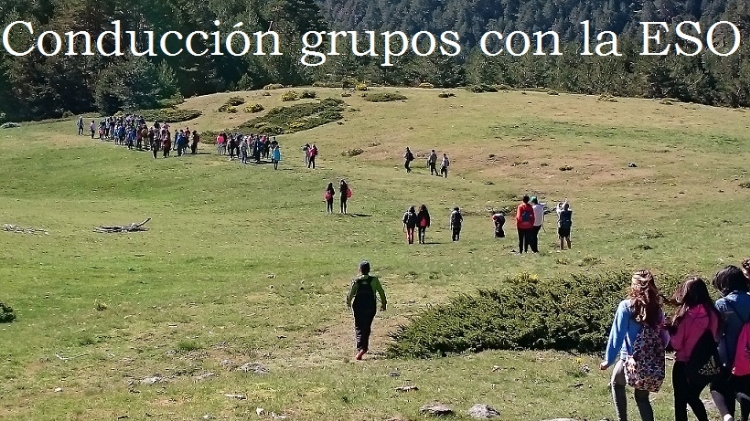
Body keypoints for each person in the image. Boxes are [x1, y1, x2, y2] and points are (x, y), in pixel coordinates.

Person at [600, 270, 669, 421]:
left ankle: (622, 419)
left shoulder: (626, 306)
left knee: (617, 383)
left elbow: (617, 335)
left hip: (630, 359)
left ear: (633, 287)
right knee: (642, 398)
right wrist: (653, 353)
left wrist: (609, 360)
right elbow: (665, 338)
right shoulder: (657, 309)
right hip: (650, 363)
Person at [665, 276, 721, 421]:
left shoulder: (686, 316)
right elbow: (715, 337)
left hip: (684, 364)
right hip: (705, 363)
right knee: (693, 396)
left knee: (680, 402)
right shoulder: (713, 313)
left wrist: (667, 332)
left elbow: (676, 344)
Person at [710, 266, 750, 421]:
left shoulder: (722, 304)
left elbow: (716, 332)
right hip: (747, 356)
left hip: (728, 356)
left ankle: (728, 416)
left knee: (721, 389)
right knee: (744, 388)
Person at [346, 260, 387, 361]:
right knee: (367, 326)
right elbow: (381, 292)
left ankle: (361, 348)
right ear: (369, 270)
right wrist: (384, 303)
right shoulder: (374, 280)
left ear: (360, 270)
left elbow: (350, 294)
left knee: (359, 326)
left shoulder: (357, 281)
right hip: (370, 306)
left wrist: (348, 303)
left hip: (359, 306)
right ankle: (364, 347)